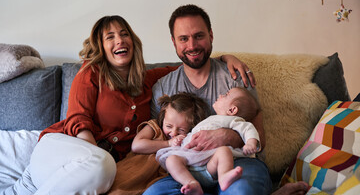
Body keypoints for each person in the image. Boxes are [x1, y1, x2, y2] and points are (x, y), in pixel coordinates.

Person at [5, 14, 256, 195]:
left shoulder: (149, 80)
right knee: (103, 167)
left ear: (133, 42)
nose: (119, 40)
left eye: (124, 34)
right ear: (101, 47)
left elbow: (190, 62)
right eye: (110, 37)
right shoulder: (91, 73)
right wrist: (98, 159)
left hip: (87, 174)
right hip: (61, 153)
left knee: (105, 172)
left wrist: (225, 57)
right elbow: (77, 121)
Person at [145, 4, 309, 195]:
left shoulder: (236, 76)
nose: (192, 46)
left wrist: (225, 137)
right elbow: (158, 141)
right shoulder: (163, 87)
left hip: (239, 164)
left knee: (241, 191)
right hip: (187, 172)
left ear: (211, 36)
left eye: (199, 36)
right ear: (174, 42)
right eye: (183, 39)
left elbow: (259, 139)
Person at [156, 87, 261, 195]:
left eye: (225, 95)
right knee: (171, 160)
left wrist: (250, 143)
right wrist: (179, 141)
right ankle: (191, 183)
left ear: (232, 110)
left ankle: (224, 175)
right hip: (190, 165)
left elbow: (248, 128)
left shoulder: (233, 120)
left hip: (210, 167)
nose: (220, 95)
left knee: (224, 151)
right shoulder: (212, 119)